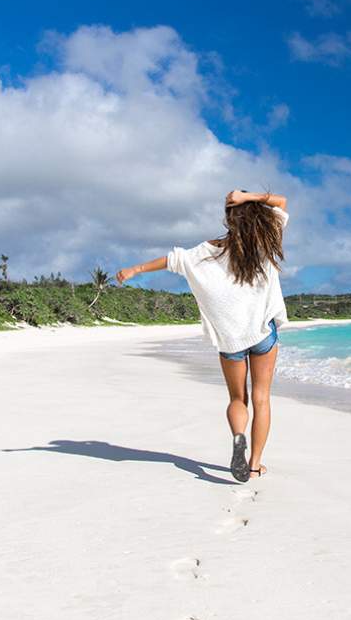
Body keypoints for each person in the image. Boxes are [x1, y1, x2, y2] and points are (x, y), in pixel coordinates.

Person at [116, 189, 289, 483]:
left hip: (230, 339)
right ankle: (255, 464)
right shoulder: (265, 239)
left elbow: (172, 260)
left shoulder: (204, 253)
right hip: (262, 333)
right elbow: (281, 201)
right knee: (261, 398)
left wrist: (135, 269)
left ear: (228, 219)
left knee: (238, 398)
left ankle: (238, 436)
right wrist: (248, 196)